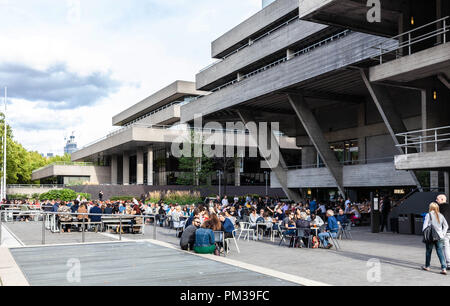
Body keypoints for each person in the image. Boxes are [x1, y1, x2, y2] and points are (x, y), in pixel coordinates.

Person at [422, 202, 448, 275]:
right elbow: (446, 226)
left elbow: (425, 226)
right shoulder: (441, 215)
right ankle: (444, 268)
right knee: (440, 252)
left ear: (430, 208)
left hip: (430, 236)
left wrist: (424, 233)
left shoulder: (428, 215)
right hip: (440, 236)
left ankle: (427, 266)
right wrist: (442, 233)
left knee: (428, 251)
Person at [436, 194, 450, 269]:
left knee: (446, 247)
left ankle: (449, 264)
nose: (436, 200)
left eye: (437, 199)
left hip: (445, 230)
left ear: (442, 199)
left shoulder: (438, 208)